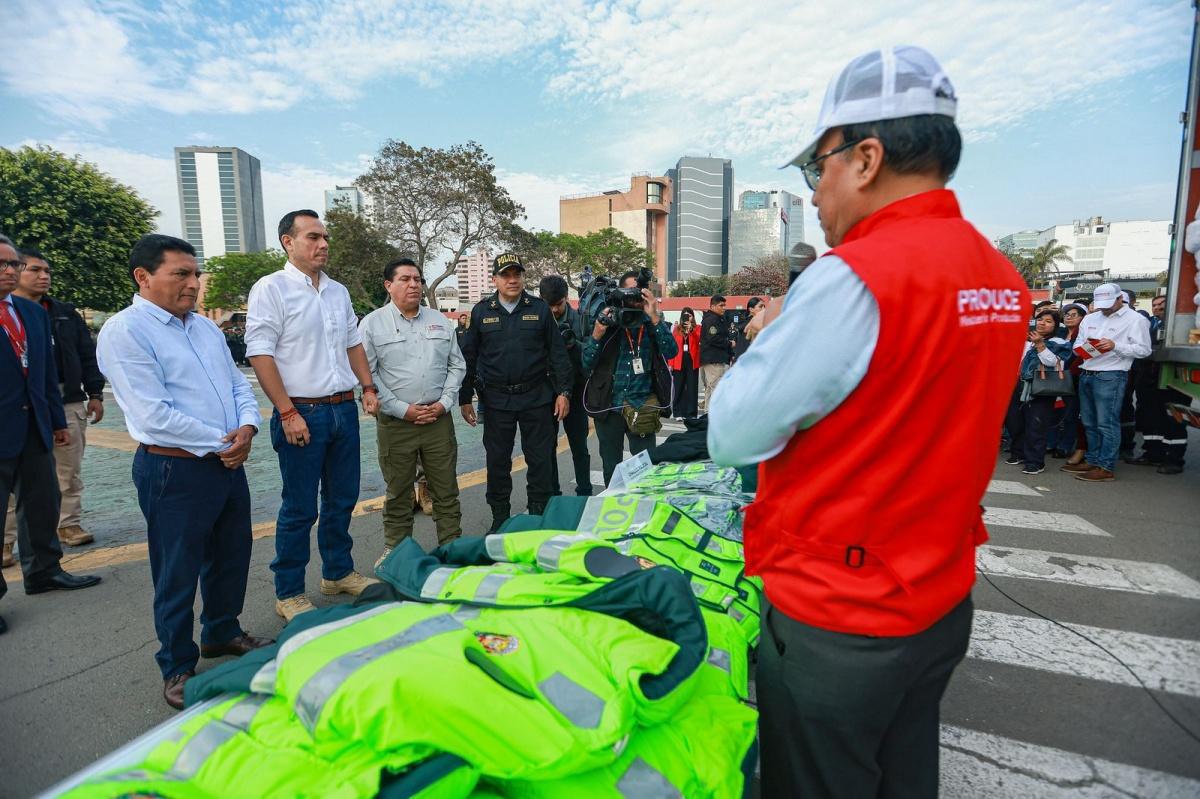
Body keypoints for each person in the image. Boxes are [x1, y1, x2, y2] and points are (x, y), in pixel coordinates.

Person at [708, 46, 1028, 797]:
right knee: (905, 772)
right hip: (939, 598)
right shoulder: (999, 276)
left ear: (866, 157)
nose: (816, 191)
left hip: (839, 614)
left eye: (816, 166)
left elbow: (733, 434)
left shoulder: (854, 277)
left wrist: (770, 335)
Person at [97, 234, 271, 708]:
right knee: (177, 569)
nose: (194, 284)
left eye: (195, 274)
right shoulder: (125, 331)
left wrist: (248, 427)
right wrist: (224, 444)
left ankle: (222, 632)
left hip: (225, 462)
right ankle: (176, 664)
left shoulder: (205, 328)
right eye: (181, 274)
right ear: (143, 276)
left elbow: (238, 384)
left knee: (232, 553)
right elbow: (153, 416)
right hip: (174, 470)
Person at [245, 210, 378, 623]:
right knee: (300, 507)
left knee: (342, 499)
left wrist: (368, 387)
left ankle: (337, 572)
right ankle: (288, 591)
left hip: (342, 410)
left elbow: (353, 343)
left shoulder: (337, 291)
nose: (323, 244)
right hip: (301, 412)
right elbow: (259, 352)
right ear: (288, 242)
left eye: (325, 238)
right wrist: (286, 411)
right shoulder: (271, 288)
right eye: (313, 237)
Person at [0, 235, 101, 635]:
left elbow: (41, 372)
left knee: (41, 502)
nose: (10, 270)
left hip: (35, 425)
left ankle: (44, 570)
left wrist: (56, 421)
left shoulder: (31, 313)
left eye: (12, 264)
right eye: (4, 264)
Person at [359, 258, 466, 566]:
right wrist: (402, 409)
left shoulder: (440, 321)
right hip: (396, 424)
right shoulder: (372, 324)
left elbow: (456, 365)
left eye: (417, 279)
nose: (414, 285)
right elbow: (368, 374)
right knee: (398, 493)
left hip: (437, 421)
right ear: (388, 285)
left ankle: (452, 548)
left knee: (446, 491)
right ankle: (398, 552)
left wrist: (444, 403)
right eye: (405, 279)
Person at [458, 253, 571, 532]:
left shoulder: (540, 309)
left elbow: (558, 354)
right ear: (495, 279)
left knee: (540, 459)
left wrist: (564, 392)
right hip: (496, 401)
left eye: (517, 274)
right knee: (497, 462)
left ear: (523, 277)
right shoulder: (482, 311)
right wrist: (464, 397)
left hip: (537, 398)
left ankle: (538, 514)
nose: (512, 280)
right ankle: (500, 518)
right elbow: (469, 357)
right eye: (506, 275)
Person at [582, 271, 677, 486]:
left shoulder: (650, 323)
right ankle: (614, 511)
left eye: (639, 296)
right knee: (611, 468)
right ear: (618, 294)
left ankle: (643, 512)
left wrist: (654, 317)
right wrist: (597, 334)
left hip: (642, 405)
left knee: (645, 470)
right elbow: (586, 363)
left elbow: (671, 351)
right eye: (630, 295)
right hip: (609, 407)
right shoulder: (607, 321)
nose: (634, 302)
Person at [1061, 283, 1151, 482]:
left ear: (1120, 298)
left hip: (1112, 374)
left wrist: (1115, 346)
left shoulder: (1136, 320)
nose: (1105, 308)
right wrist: (1085, 348)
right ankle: (1093, 460)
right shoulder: (1091, 318)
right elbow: (1076, 346)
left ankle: (1106, 466)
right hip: (1087, 372)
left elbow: (1144, 350)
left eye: (1109, 303)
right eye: (1101, 304)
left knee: (1106, 423)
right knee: (1089, 421)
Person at [539, 274, 592, 497]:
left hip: (576, 391)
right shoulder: (537, 319)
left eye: (558, 305)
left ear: (566, 298)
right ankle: (553, 494)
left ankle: (585, 492)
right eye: (548, 306)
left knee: (579, 447)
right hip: (547, 392)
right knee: (547, 448)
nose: (553, 311)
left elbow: (591, 357)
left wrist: (574, 344)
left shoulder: (580, 319)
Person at [1004, 308, 1072, 474]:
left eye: (1048, 321)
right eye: (1040, 319)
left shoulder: (1059, 342)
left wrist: (1040, 345)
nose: (1042, 323)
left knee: (1036, 424)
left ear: (1056, 325)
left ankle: (1035, 461)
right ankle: (1018, 452)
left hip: (1041, 387)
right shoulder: (1025, 339)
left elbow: (1056, 364)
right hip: (1019, 384)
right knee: (1015, 421)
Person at [1128, 294, 1188, 474]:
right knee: (1150, 418)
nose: (1158, 307)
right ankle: (1153, 453)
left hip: (1173, 382)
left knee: (1174, 419)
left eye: (1162, 304)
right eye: (1155, 305)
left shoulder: (1179, 328)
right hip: (1149, 380)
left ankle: (1174, 459)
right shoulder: (1150, 325)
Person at [1053, 303, 1090, 464]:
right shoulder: (1058, 333)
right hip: (1054, 378)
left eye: (1074, 314)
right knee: (1055, 412)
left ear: (1083, 317)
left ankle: (1066, 445)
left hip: (1074, 377)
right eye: (1067, 314)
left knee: (1071, 413)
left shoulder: (1084, 334)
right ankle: (1052, 442)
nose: (1069, 317)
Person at [698, 295, 732, 412]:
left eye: (724, 305)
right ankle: (712, 414)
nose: (724, 308)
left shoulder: (717, 318)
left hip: (715, 357)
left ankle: (707, 414)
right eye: (721, 305)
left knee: (711, 387)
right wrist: (729, 343)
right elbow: (713, 338)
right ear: (712, 306)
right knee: (716, 388)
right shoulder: (712, 320)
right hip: (713, 359)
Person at [669, 307, 701, 418]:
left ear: (693, 316)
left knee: (692, 387)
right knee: (679, 387)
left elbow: (698, 340)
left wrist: (691, 329)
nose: (687, 317)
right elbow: (672, 346)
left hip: (692, 361)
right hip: (678, 360)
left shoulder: (697, 328)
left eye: (689, 315)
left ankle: (691, 413)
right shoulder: (677, 329)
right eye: (685, 315)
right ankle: (678, 412)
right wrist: (671, 363)